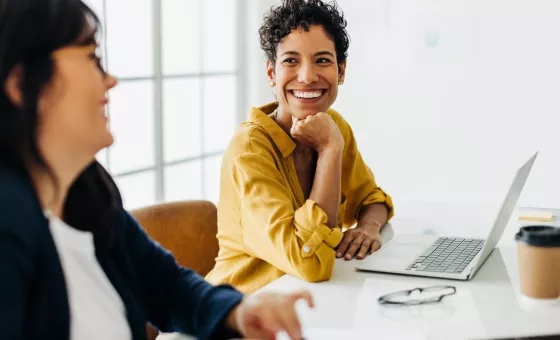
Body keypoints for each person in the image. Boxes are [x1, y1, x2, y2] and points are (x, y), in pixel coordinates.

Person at [0, 0, 312, 339]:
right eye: (92, 59)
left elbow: (166, 287)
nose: (110, 80)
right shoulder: (8, 221)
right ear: (20, 85)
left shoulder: (87, 191)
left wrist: (239, 310)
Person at [206, 0, 394, 293]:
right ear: (271, 73)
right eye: (291, 61)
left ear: (341, 71)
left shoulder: (334, 125)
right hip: (244, 311)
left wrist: (366, 227)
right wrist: (330, 150)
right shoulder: (251, 149)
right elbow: (309, 261)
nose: (307, 76)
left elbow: (372, 199)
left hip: (307, 302)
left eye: (322, 60)